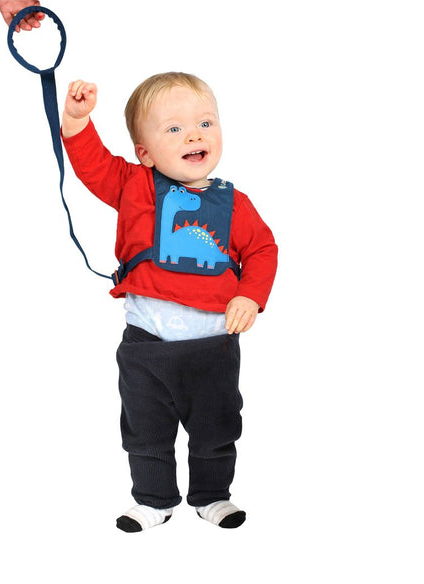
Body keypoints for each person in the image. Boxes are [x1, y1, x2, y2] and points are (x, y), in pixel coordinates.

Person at [61, 72, 278, 532]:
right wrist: (78, 122)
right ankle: (154, 501)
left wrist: (250, 295)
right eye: (173, 129)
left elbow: (262, 250)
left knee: (217, 427)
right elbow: (93, 165)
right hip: (147, 344)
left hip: (213, 344)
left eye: (205, 122)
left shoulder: (234, 204)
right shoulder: (135, 185)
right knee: (145, 430)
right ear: (145, 152)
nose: (194, 134)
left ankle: (213, 496)